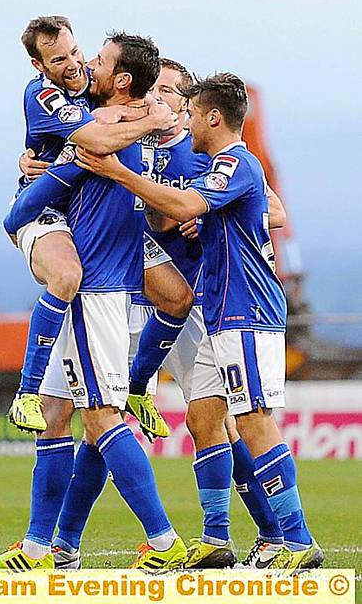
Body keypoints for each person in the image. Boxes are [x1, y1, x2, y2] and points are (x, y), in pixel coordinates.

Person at [75, 72, 323, 570]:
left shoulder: (235, 161)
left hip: (245, 308)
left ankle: (295, 541)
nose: (182, 115)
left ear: (211, 115)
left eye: (188, 106)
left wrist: (120, 177)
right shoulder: (218, 166)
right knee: (207, 417)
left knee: (253, 420)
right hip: (221, 310)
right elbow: (186, 209)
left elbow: (210, 204)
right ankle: (217, 536)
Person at [0, 32, 187, 572]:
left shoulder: (110, 134)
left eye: (97, 59)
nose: (85, 63)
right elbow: (75, 149)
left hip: (95, 296)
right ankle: (42, 548)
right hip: (93, 296)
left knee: (101, 417)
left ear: (120, 81)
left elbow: (83, 153)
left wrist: (19, 210)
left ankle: (165, 542)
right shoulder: (106, 121)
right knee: (54, 415)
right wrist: (35, 165)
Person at [7, 15, 193, 439]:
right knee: (83, 416)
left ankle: (138, 387)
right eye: (62, 59)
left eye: (80, 52)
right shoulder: (47, 95)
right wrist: (149, 120)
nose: (79, 64)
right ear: (40, 66)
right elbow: (97, 141)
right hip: (55, 213)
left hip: (115, 231)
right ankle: (26, 392)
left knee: (178, 297)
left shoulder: (106, 94)